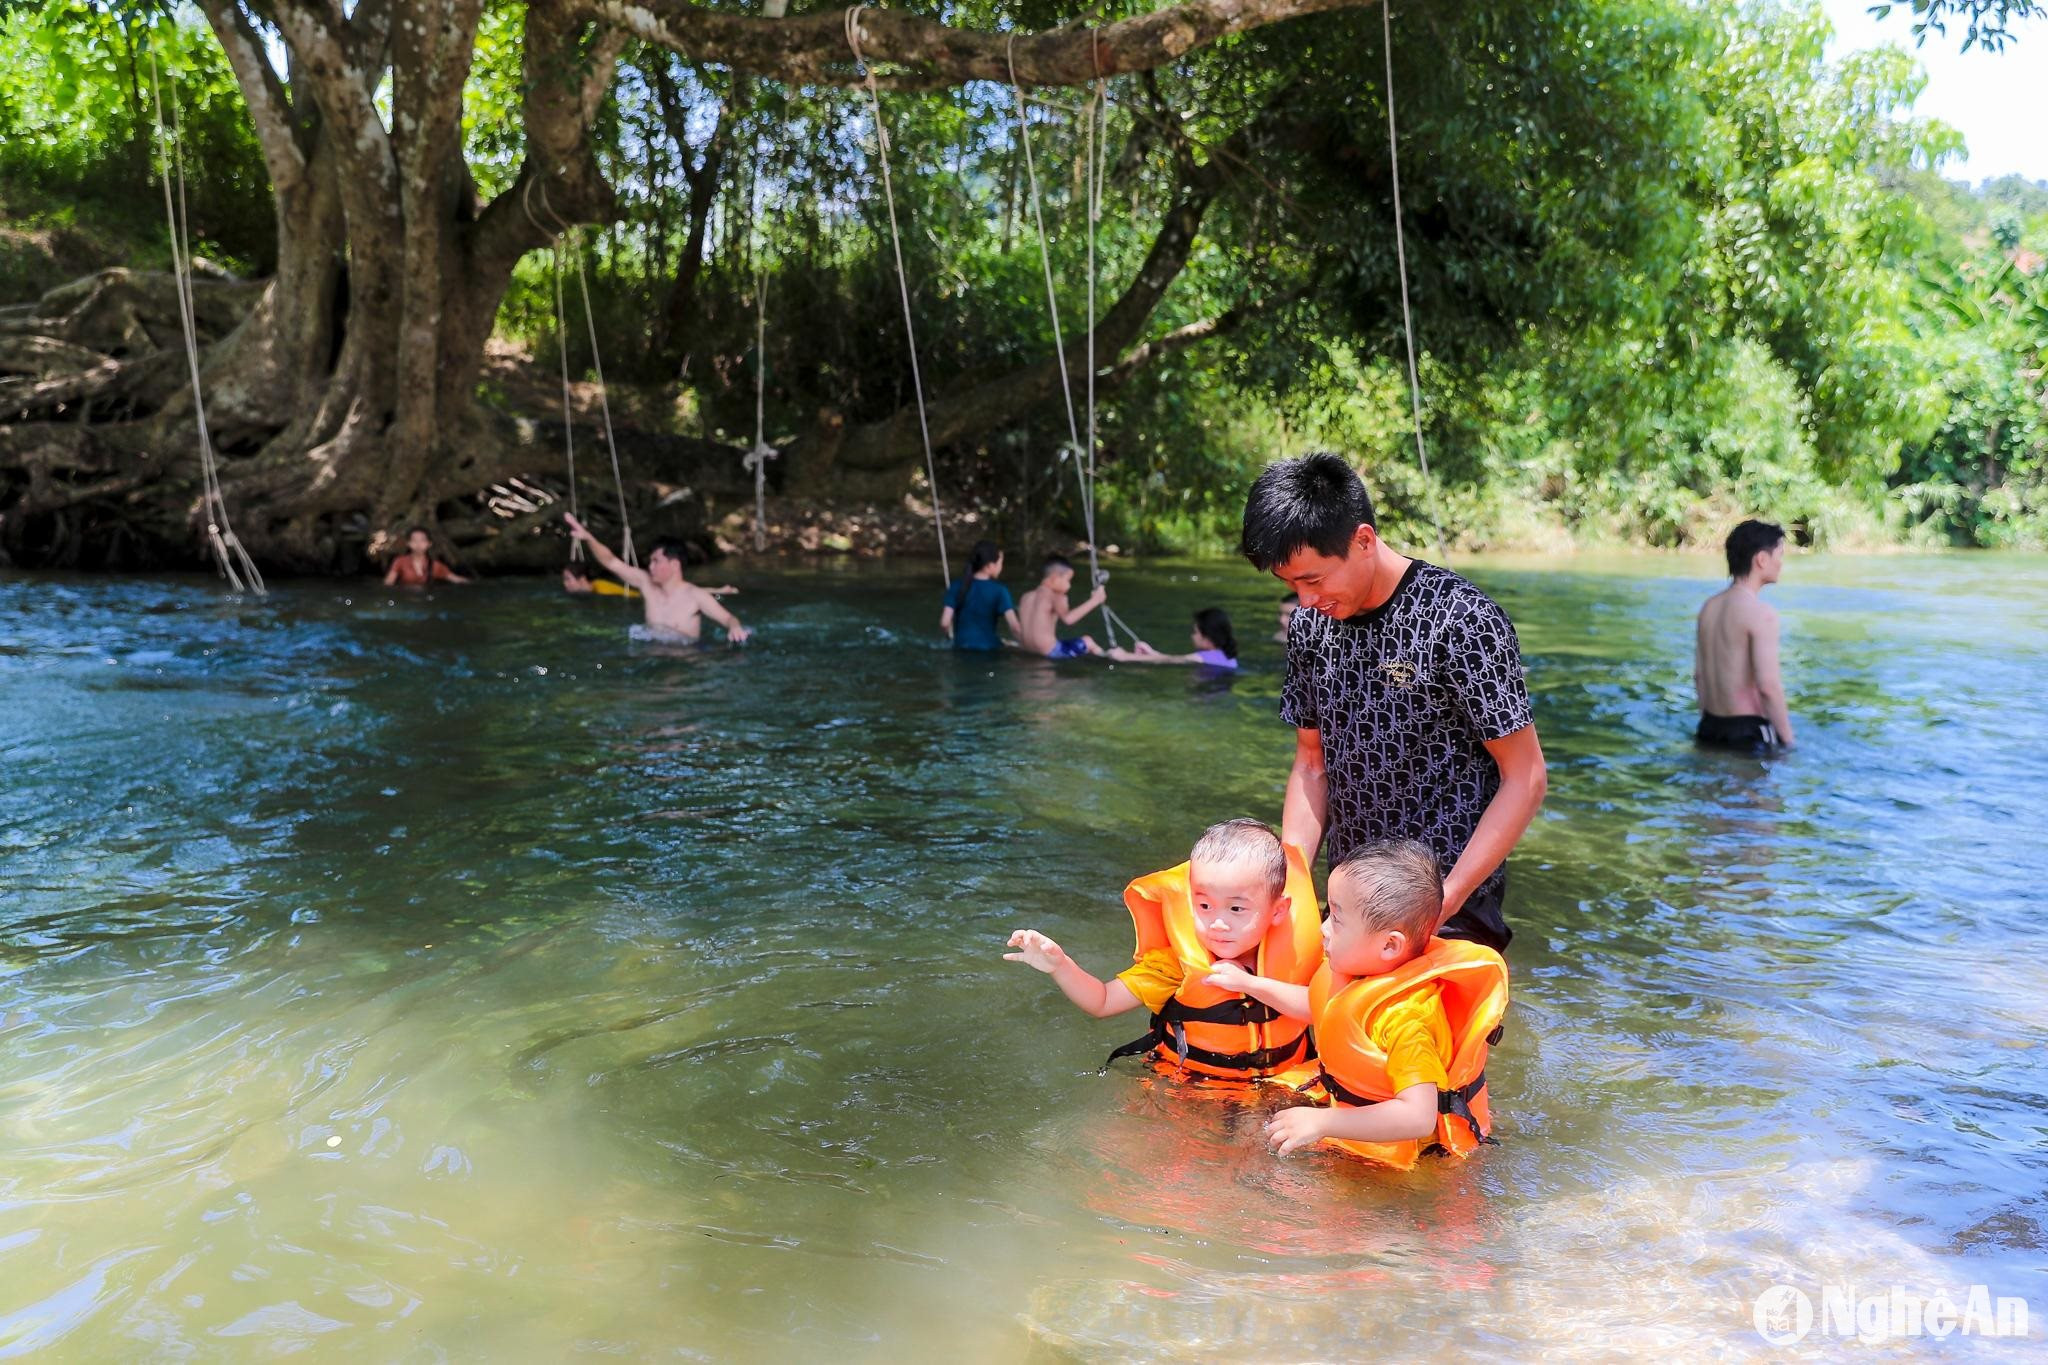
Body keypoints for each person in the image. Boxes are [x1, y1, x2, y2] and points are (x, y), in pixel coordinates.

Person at [1240, 452, 1546, 952]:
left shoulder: (1462, 621)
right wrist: (1291, 882)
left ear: (1363, 540)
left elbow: (1525, 777)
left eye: (1313, 580)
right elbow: (1311, 765)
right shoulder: (1310, 628)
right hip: (1347, 904)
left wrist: (1444, 899)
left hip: (1449, 901)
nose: (1304, 600)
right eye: (1290, 584)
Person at [1210, 840, 1507, 1168]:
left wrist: (1322, 1123)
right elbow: (1316, 1006)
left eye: (1336, 919)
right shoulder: (1355, 970)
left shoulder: (1407, 1020)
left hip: (1401, 1160)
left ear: (1390, 945)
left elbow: (1418, 1116)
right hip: (1344, 1103)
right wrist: (1250, 984)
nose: (1322, 929)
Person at [1003, 818, 1324, 1080]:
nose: (1218, 923)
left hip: (1279, 1082)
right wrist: (1060, 965)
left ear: (1278, 911)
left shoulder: (1305, 955)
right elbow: (1101, 1001)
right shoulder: (1176, 963)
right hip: (1192, 1085)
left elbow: (1319, 1009)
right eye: (1204, 905)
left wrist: (1249, 984)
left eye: (1236, 910)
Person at [563, 512, 750, 644]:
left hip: (687, 659)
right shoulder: (646, 583)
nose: (650, 567)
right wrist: (589, 538)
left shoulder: (696, 596)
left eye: (656, 561)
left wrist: (735, 628)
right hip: (651, 653)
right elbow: (611, 562)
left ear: (674, 565)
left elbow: (728, 619)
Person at [1694, 519, 1794, 753]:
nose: (1781, 563)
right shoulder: (1761, 614)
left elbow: (1699, 676)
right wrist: (1788, 742)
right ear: (1761, 559)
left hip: (1709, 726)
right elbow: (1768, 686)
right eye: (1779, 555)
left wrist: (1711, 721)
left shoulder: (1708, 608)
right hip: (1747, 732)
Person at [1016, 554, 1107, 658]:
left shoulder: (1026, 596)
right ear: (1055, 578)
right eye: (1068, 580)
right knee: (1088, 641)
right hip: (1049, 652)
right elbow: (1068, 619)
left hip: (1027, 650)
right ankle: (1107, 658)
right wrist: (1095, 600)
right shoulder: (1054, 596)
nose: (1069, 585)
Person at [940, 540, 1022, 652]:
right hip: (989, 651)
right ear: (989, 566)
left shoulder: (956, 586)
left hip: (961, 648)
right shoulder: (1000, 590)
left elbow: (945, 623)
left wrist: (949, 637)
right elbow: (1015, 627)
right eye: (1000, 563)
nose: (1001, 567)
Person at [1107, 607, 1239, 669]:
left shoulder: (1200, 659)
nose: (1192, 636)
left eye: (1195, 632)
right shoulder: (1229, 658)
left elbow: (1169, 661)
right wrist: (1153, 653)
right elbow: (1172, 658)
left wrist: (1124, 656)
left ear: (1207, 637)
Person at [383, 527, 470, 586]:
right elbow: (388, 583)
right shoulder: (400, 561)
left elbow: (455, 579)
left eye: (422, 540)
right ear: (408, 543)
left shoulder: (435, 566)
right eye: (414, 540)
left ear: (429, 544)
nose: (418, 544)